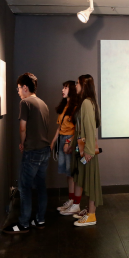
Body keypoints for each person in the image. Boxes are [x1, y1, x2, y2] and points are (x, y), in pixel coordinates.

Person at [3, 73, 50, 234]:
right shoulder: (43, 103)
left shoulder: (25, 103)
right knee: (41, 186)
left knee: (24, 187)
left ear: (25, 87)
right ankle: (40, 219)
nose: (18, 92)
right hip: (45, 150)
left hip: (32, 151)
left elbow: (23, 127)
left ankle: (23, 223)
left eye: (18, 88)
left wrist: (22, 143)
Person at [60, 74, 102, 226]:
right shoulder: (86, 102)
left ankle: (91, 216)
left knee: (90, 181)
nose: (75, 86)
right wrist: (72, 144)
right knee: (83, 178)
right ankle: (88, 211)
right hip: (83, 149)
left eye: (78, 83)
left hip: (87, 151)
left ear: (84, 86)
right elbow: (80, 129)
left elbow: (90, 128)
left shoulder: (86, 103)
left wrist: (89, 151)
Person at [51, 81, 79, 213]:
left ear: (71, 90)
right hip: (62, 139)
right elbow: (59, 127)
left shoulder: (75, 108)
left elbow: (77, 130)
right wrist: (53, 142)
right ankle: (71, 200)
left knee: (72, 172)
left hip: (69, 140)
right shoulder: (64, 106)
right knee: (68, 173)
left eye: (66, 88)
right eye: (63, 87)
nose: (62, 90)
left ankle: (75, 203)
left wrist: (68, 142)